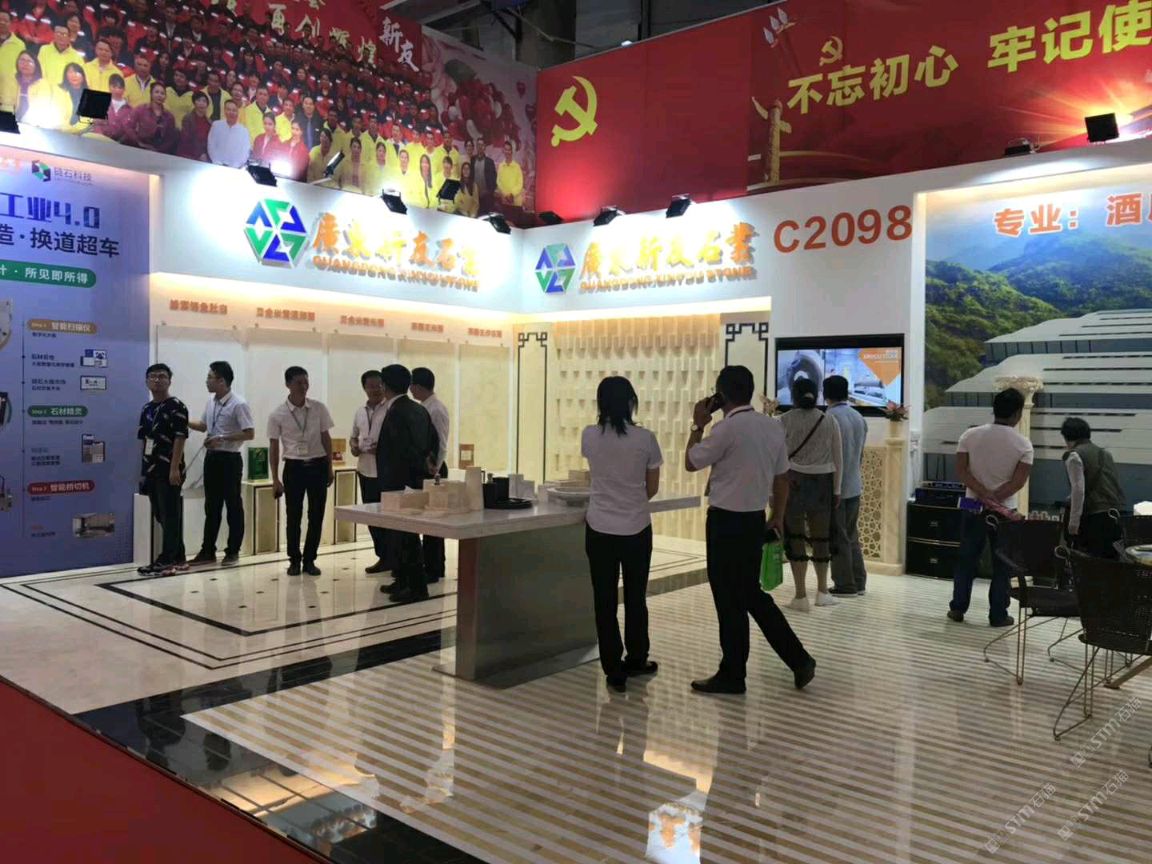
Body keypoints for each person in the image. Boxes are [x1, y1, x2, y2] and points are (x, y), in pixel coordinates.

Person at [684, 365, 816, 694]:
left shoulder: (725, 430)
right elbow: (782, 477)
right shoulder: (771, 427)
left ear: (721, 396)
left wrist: (698, 425)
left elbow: (691, 461)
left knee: (729, 597)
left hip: (725, 522)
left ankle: (736, 673)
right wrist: (777, 515)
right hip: (754, 520)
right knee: (749, 593)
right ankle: (797, 659)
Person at [582, 376, 662, 693]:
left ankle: (613, 668)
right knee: (635, 597)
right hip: (636, 528)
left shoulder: (589, 436)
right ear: (631, 402)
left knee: (604, 599)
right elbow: (651, 487)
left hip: (599, 528)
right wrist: (630, 501)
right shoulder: (645, 438)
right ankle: (637, 658)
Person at [948, 388, 1033, 628]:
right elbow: (1018, 482)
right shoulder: (1024, 445)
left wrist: (983, 494)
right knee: (1002, 564)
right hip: (1005, 512)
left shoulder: (969, 435)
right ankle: (998, 614)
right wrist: (995, 499)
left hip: (972, 506)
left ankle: (957, 608)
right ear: (1018, 414)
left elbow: (962, 471)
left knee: (966, 559)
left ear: (994, 409)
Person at [778, 377, 843, 611]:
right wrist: (837, 489)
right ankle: (823, 591)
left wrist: (773, 492)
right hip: (823, 484)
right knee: (821, 538)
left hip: (792, 483)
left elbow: (777, 458)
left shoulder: (783, 420)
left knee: (795, 538)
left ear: (793, 395)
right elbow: (838, 458)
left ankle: (800, 596)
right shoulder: (829, 420)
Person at [376, 364, 438, 604]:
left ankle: (416, 586)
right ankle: (403, 580)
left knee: (405, 537)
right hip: (414, 480)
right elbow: (432, 441)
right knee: (402, 535)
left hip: (399, 483)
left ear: (384, 385)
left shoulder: (397, 411)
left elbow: (399, 450)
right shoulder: (418, 409)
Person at [268, 366, 335, 577]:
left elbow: (326, 438)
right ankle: (294, 560)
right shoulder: (278, 414)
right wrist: (275, 478)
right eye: (299, 382)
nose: (304, 386)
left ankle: (310, 560)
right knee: (293, 516)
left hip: (317, 465)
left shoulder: (318, 408)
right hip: (294, 468)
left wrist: (329, 466)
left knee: (316, 515)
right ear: (288, 384)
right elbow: (274, 446)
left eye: (306, 382)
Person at [187, 361, 254, 567]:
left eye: (210, 377)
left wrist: (222, 438)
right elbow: (204, 426)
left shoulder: (238, 404)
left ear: (222, 381)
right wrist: (183, 419)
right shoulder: (211, 401)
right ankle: (207, 550)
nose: (206, 381)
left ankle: (233, 551)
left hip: (229, 460)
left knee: (233, 506)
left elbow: (249, 433)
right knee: (211, 506)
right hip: (212, 459)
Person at [137, 363, 189, 576]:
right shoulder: (147, 409)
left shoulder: (176, 406)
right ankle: (179, 557)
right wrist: (143, 469)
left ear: (169, 380)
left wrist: (174, 468)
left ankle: (167, 559)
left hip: (169, 468)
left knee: (170, 514)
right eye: (152, 376)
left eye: (161, 376)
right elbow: (144, 440)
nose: (157, 380)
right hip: (151, 468)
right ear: (146, 381)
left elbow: (180, 437)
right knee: (161, 513)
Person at [824, 375, 869, 597]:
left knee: (837, 536)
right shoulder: (858, 417)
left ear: (825, 394)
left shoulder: (829, 418)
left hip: (836, 488)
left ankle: (844, 584)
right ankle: (859, 582)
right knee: (851, 535)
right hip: (854, 484)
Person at [1061, 417, 1125, 559]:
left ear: (1067, 437)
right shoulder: (1105, 454)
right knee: (1110, 563)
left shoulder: (1074, 455)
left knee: (1090, 563)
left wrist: (1073, 524)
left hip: (1093, 518)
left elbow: (1078, 490)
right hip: (1115, 515)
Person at [350, 370, 392, 574]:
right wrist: (353, 447)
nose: (375, 390)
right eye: (371, 386)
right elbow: (353, 436)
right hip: (365, 470)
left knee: (390, 517)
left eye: (379, 385)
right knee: (372, 517)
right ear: (364, 388)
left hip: (386, 472)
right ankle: (383, 556)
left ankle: (395, 557)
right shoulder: (360, 412)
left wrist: (382, 449)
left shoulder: (391, 409)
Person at [410, 367, 449, 585]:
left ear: (417, 386)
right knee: (428, 520)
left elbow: (441, 442)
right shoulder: (425, 407)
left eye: (411, 385)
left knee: (434, 522)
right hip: (429, 468)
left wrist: (435, 469)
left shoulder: (436, 409)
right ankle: (432, 565)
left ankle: (434, 568)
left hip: (434, 471)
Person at [126, 82, 178, 153]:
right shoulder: (141, 109)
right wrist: (138, 142)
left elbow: (170, 138)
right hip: (140, 148)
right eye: (156, 92)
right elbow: (128, 126)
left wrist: (159, 150)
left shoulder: (169, 116)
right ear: (151, 94)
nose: (159, 95)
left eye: (162, 93)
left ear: (165, 97)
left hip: (160, 151)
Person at [36, 25, 84, 92]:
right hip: (45, 90)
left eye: (64, 34)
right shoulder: (44, 50)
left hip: (66, 93)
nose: (61, 36)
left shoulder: (76, 56)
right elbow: (39, 70)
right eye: (58, 33)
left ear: (69, 37)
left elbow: (79, 78)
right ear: (54, 34)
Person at [207, 97, 250, 167]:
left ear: (238, 112)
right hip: (216, 165)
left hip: (234, 167)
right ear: (224, 110)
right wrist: (217, 162)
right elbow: (211, 145)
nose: (231, 112)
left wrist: (235, 166)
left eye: (234, 110)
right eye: (228, 109)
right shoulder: (216, 125)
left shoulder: (243, 131)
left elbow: (245, 152)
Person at [176, 90, 212, 161]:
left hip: (204, 155)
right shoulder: (188, 118)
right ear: (194, 102)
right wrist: (200, 154)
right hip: (188, 154)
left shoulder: (209, 122)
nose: (201, 103)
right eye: (198, 100)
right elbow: (187, 139)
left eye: (204, 101)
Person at [496, 139, 524, 208]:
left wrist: (511, 194)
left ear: (511, 151)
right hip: (504, 201)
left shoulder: (517, 167)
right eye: (506, 149)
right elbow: (498, 182)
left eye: (509, 150)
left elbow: (520, 183)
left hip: (516, 202)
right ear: (503, 151)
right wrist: (506, 195)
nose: (507, 152)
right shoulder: (501, 166)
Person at [473, 135, 497, 213]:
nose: (480, 147)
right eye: (478, 145)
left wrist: (488, 191)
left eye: (482, 145)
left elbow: (494, 180)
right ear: (476, 146)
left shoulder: (490, 162)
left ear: (485, 147)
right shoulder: (472, 160)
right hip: (474, 197)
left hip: (487, 198)